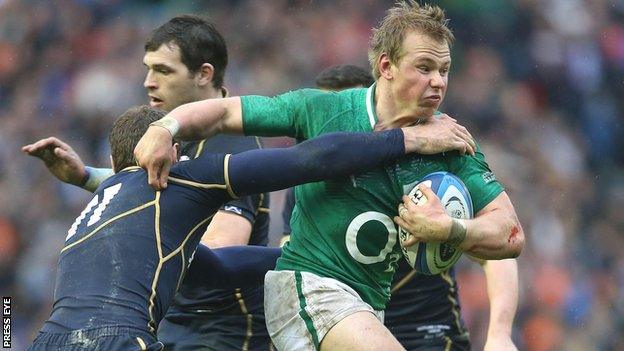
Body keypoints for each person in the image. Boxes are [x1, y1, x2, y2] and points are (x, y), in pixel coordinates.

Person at [134, 2, 526, 350]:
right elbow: (222, 112)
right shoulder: (323, 111)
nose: (438, 81)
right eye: (424, 68)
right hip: (311, 290)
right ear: (386, 66)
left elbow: (510, 233)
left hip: (368, 308)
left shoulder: (451, 145)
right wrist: (165, 128)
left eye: (444, 69)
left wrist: (452, 231)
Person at [25, 104, 433, 350]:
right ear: (174, 151)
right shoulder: (178, 180)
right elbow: (309, 161)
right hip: (117, 339)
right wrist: (405, 140)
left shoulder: (94, 208)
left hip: (47, 340)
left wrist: (301, 260)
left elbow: (216, 268)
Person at [21, 16, 273, 350]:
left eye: (163, 71)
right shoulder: (168, 139)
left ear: (204, 74)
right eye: (148, 68)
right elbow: (161, 198)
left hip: (219, 336)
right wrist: (85, 177)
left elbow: (221, 247)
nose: (148, 82)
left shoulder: (231, 146)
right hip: (169, 331)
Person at [279, 64, 519, 351]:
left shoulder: (423, 174)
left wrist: (500, 334)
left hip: (427, 332)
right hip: (347, 330)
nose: (338, 132)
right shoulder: (306, 192)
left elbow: (498, 254)